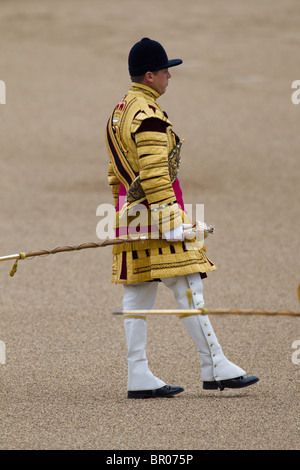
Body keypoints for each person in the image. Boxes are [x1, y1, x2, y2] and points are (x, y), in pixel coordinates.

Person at [105, 38, 259, 399]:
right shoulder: (149, 116)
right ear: (149, 75)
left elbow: (116, 175)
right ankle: (215, 365)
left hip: (133, 215)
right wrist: (172, 223)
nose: (169, 76)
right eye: (164, 71)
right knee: (189, 284)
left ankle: (139, 374)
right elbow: (158, 175)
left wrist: (121, 219)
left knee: (137, 297)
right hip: (159, 218)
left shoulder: (118, 113)